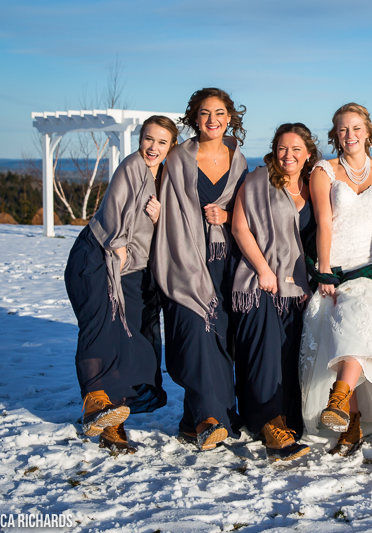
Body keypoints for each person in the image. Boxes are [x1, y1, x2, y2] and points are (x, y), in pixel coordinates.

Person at [299, 103, 372, 457]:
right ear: (336, 134)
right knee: (346, 317)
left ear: (368, 132)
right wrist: (325, 270)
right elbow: (325, 222)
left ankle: (345, 405)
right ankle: (346, 412)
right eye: (342, 129)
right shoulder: (324, 171)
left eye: (356, 128)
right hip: (337, 269)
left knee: (371, 314)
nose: (350, 135)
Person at [65, 115, 177, 454]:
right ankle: (97, 407)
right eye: (148, 138)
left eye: (161, 142)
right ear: (139, 139)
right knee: (103, 329)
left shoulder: (167, 180)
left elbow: (175, 229)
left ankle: (111, 417)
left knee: (134, 341)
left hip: (132, 268)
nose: (152, 147)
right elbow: (114, 210)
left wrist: (162, 217)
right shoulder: (132, 166)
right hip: (100, 256)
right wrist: (117, 245)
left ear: (171, 147)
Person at [152, 88, 248, 451]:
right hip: (183, 256)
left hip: (226, 261)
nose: (213, 120)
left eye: (220, 113)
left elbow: (247, 206)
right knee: (194, 329)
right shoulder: (177, 158)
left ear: (230, 117)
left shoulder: (239, 159)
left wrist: (226, 216)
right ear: (195, 118)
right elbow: (168, 205)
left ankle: (198, 421)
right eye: (205, 113)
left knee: (220, 337)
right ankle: (212, 418)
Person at [231, 123, 320, 461]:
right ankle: (269, 426)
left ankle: (282, 421)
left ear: (308, 153)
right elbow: (240, 227)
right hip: (258, 282)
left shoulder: (315, 187)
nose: (288, 155)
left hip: (297, 287)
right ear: (274, 150)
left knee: (287, 357)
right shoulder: (256, 182)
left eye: (296, 149)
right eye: (283, 148)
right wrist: (264, 270)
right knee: (264, 354)